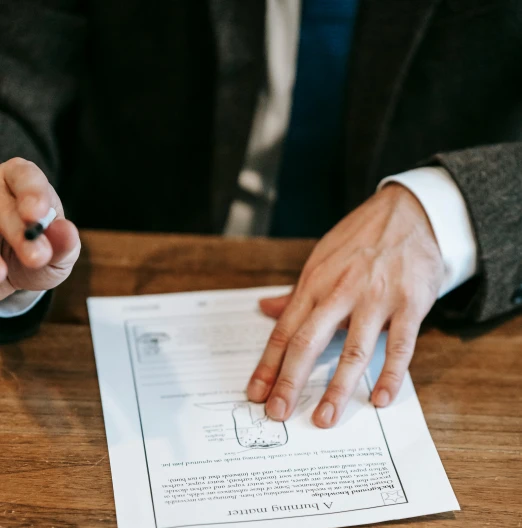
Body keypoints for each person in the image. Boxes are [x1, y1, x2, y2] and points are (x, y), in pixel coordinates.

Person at [0, 0, 521, 429]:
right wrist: (13, 209)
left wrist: (445, 210)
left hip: (455, 332)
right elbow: (16, 65)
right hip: (114, 293)